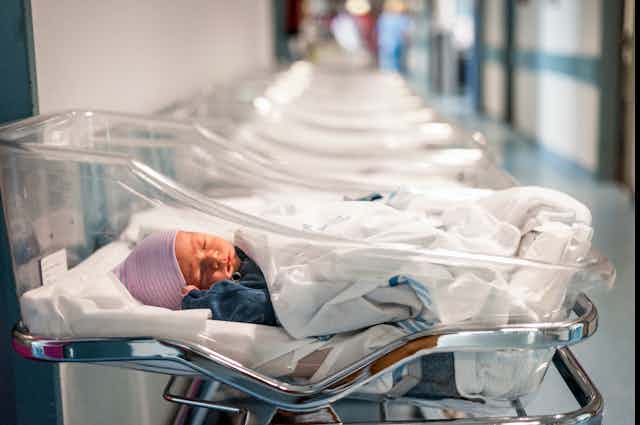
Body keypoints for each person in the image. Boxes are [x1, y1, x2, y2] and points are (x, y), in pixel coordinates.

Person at [113, 230, 277, 326]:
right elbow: (258, 305)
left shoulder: (247, 248)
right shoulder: (245, 289)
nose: (214, 259)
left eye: (204, 244)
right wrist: (200, 302)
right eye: (202, 272)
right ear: (201, 292)